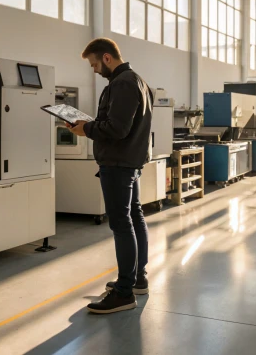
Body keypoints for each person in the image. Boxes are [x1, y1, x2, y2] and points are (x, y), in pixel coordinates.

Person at [67, 38, 152, 314]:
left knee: (121, 223)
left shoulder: (123, 83)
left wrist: (87, 129)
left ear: (106, 57)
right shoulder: (136, 81)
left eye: (93, 64)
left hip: (118, 164)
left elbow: (117, 129)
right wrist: (90, 125)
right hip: (128, 161)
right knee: (134, 216)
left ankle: (125, 292)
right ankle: (136, 279)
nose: (93, 70)